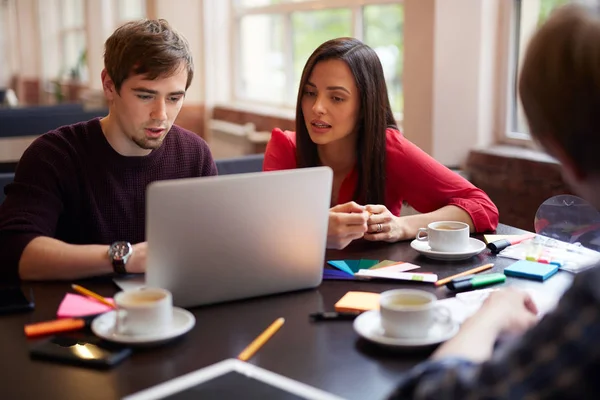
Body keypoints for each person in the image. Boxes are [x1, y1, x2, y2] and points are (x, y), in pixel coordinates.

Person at [391, 3, 600, 398]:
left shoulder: (592, 303)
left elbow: (434, 394)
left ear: (561, 153)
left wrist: (490, 316)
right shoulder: (287, 147)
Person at [0, 19, 217, 282]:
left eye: (174, 98)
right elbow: (15, 252)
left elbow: (210, 245)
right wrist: (125, 257)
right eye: (145, 95)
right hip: (80, 312)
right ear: (109, 85)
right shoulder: (54, 155)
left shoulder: (195, 154)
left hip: (170, 309)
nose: (161, 115)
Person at [263, 38, 498, 250]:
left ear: (366, 106)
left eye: (336, 98)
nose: (316, 108)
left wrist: (402, 226)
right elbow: (262, 226)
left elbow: (482, 207)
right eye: (310, 93)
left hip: (375, 286)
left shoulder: (389, 150)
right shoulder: (285, 146)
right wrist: (315, 228)